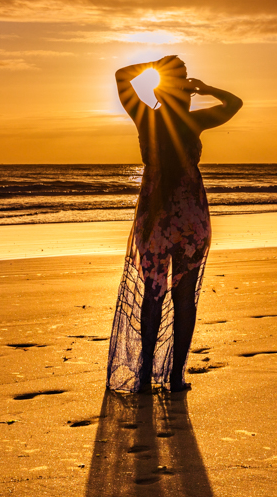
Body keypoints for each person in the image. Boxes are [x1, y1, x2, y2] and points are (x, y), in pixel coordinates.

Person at [106, 55, 243, 393]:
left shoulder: (144, 117)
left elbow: (122, 76)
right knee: (184, 298)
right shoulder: (191, 121)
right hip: (189, 216)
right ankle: (176, 376)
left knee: (153, 296)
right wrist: (205, 88)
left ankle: (143, 377)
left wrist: (155, 67)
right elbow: (234, 103)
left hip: (156, 215)